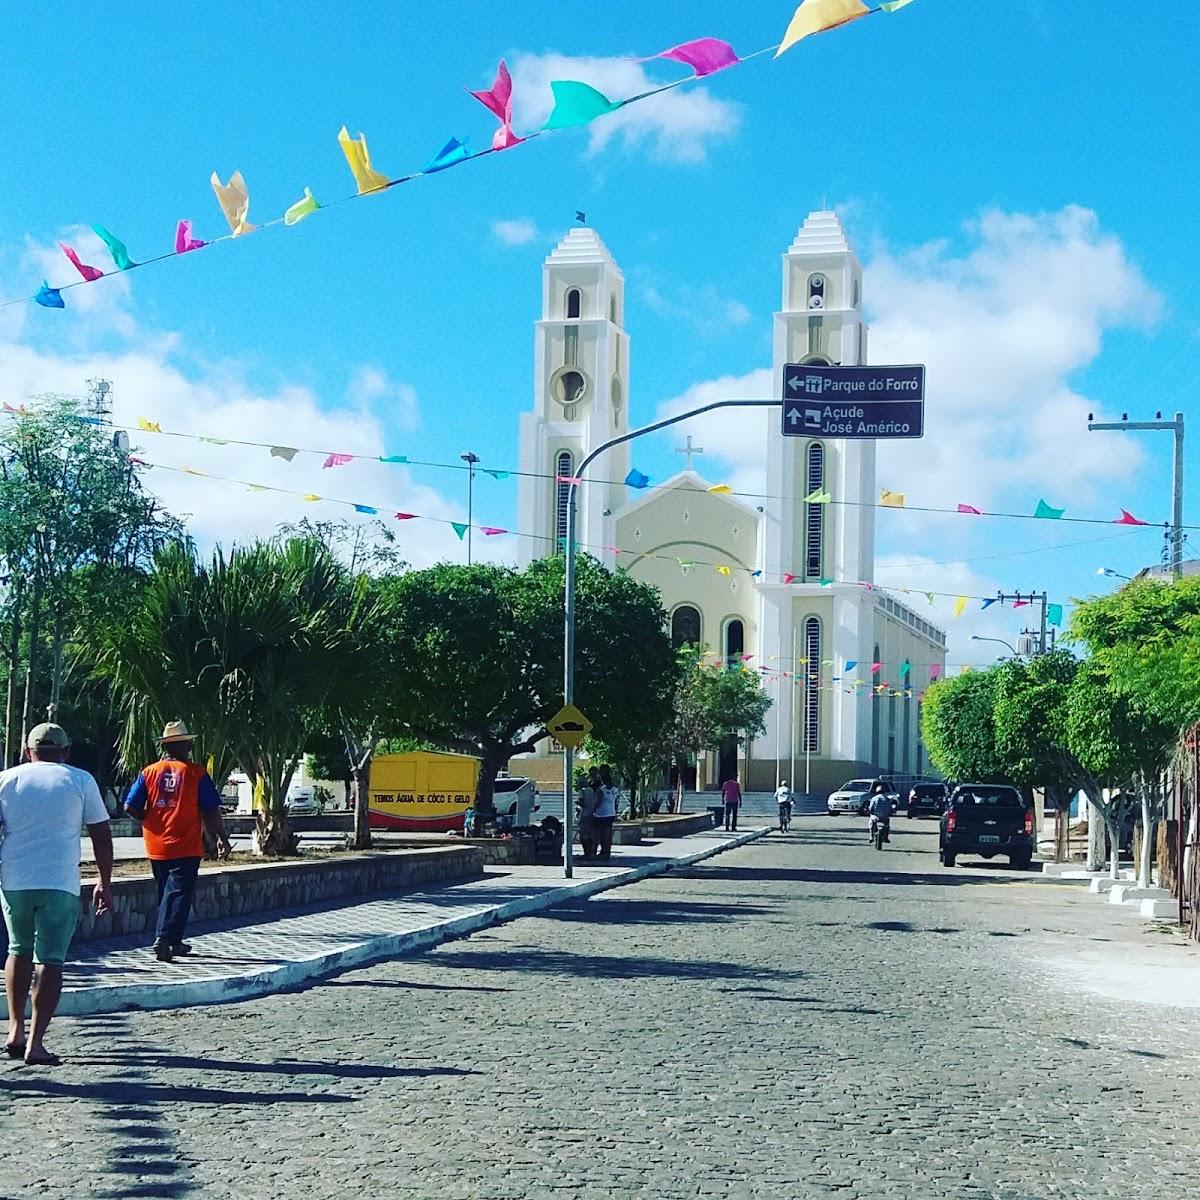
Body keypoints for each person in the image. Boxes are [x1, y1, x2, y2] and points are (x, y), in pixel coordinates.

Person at [0, 723, 112, 1067]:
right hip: (59, 881)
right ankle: (36, 1044)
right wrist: (104, 881)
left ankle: (15, 1030)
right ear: (65, 751)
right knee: (50, 960)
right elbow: (101, 834)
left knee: (18, 949)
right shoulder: (80, 780)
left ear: (27, 751)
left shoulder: (6, 779)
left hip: (15, 880)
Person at [124, 720, 231, 963]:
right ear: (184, 746)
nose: (190, 747)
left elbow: (129, 806)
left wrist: (148, 818)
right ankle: (163, 939)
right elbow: (211, 809)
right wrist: (222, 837)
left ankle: (174, 941)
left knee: (166, 892)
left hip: (156, 844)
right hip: (185, 844)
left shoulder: (149, 772)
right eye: (187, 743)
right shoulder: (195, 773)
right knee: (180, 893)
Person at [594, 765, 620, 862]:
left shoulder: (601, 790)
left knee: (602, 834)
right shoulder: (614, 789)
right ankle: (606, 851)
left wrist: (592, 809)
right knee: (608, 834)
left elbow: (598, 802)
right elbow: (616, 801)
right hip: (611, 813)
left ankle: (604, 852)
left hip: (601, 814)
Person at [577, 768, 601, 860]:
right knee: (591, 834)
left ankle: (587, 853)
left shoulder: (582, 791)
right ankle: (591, 852)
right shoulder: (592, 789)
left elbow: (582, 803)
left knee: (584, 835)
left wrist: (578, 803)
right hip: (592, 813)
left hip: (585, 814)